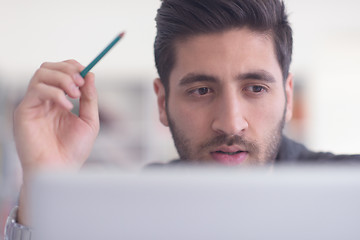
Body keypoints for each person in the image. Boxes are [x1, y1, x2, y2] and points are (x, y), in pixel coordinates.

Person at [5, 0, 360, 239]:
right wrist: (43, 180)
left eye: (255, 88)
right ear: (162, 102)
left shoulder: (352, 194)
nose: (231, 123)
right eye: (202, 90)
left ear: (288, 96)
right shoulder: (130, 214)